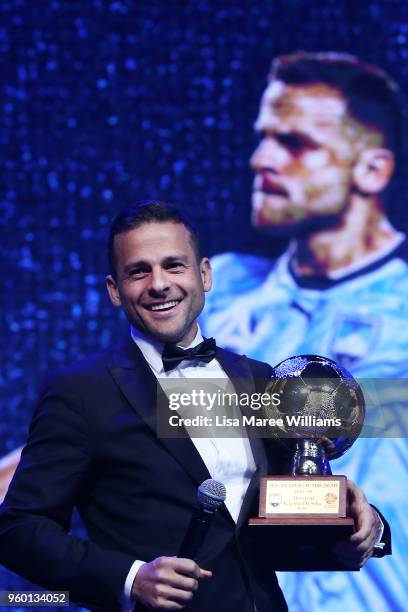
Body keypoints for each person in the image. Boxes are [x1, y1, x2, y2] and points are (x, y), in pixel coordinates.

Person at [0, 202, 389, 611]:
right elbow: (18, 528)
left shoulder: (258, 379)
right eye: (138, 271)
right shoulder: (81, 392)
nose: (159, 284)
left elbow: (291, 504)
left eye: (174, 266)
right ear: (115, 290)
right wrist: (129, 579)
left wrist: (365, 524)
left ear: (204, 274)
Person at [200, 53, 407, 611]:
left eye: (294, 144)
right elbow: (112, 429)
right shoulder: (217, 296)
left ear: (372, 170)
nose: (261, 159)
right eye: (263, 138)